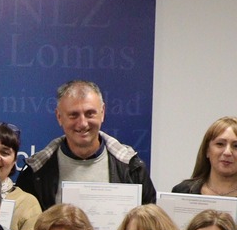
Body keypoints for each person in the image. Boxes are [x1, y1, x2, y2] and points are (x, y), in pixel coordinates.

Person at [13, 80, 155, 211]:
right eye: (73, 115)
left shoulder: (132, 168)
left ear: (102, 113)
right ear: (59, 117)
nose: (82, 123)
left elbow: (150, 227)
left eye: (90, 114)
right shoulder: (35, 172)